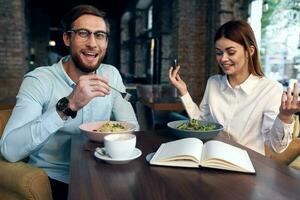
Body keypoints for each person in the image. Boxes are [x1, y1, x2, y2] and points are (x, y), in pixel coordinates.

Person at [0, 5, 139, 200]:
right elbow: (10, 150)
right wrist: (68, 105)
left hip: (104, 171)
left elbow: (132, 128)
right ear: (67, 38)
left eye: (100, 35)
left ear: (106, 42)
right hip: (54, 179)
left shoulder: (111, 75)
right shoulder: (39, 80)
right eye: (83, 33)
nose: (92, 43)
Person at [169, 20, 300, 156]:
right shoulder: (213, 83)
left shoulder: (270, 89)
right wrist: (183, 92)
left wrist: (285, 116)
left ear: (250, 51)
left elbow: (276, 147)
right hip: (213, 159)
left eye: (231, 52)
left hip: (248, 166)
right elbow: (202, 124)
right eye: (219, 53)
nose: (223, 59)